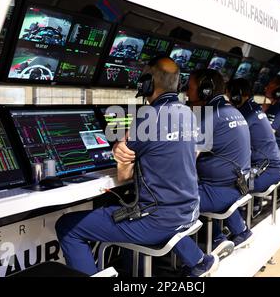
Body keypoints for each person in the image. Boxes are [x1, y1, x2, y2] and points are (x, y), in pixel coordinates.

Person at [55, 57, 219, 277]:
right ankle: (197, 260)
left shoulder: (148, 118)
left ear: (147, 83)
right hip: (188, 212)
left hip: (156, 222)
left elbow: (123, 176)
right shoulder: (189, 114)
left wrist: (118, 151)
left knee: (68, 226)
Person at [176, 69, 252, 260]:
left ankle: (207, 249)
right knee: (196, 183)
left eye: (190, 88)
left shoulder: (207, 117)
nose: (186, 92)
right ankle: (232, 232)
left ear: (205, 91)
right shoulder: (232, 110)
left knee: (169, 198)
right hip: (239, 185)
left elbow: (185, 162)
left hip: (220, 192)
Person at [226, 78, 280, 199]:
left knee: (226, 189)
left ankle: (241, 216)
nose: (228, 100)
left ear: (237, 95)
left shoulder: (244, 114)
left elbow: (230, 143)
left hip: (268, 170)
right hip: (273, 167)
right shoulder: (253, 108)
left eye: (229, 96)